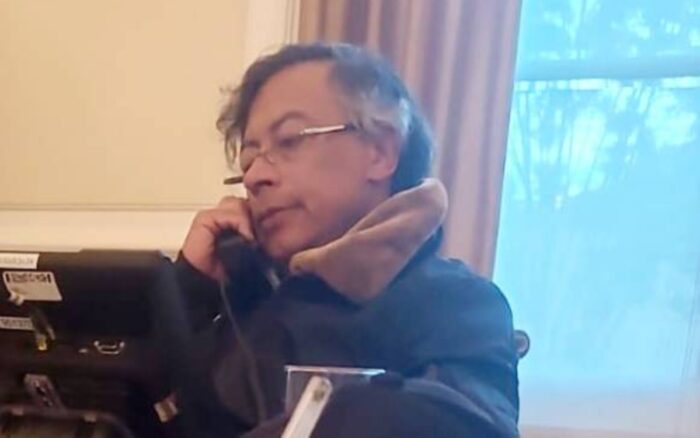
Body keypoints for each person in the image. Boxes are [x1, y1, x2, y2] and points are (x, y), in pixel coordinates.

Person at [174, 42, 519, 437]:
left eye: (289, 140)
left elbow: (471, 425)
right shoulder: (240, 304)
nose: (254, 177)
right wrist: (187, 292)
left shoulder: (457, 304)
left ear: (381, 152)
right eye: (248, 160)